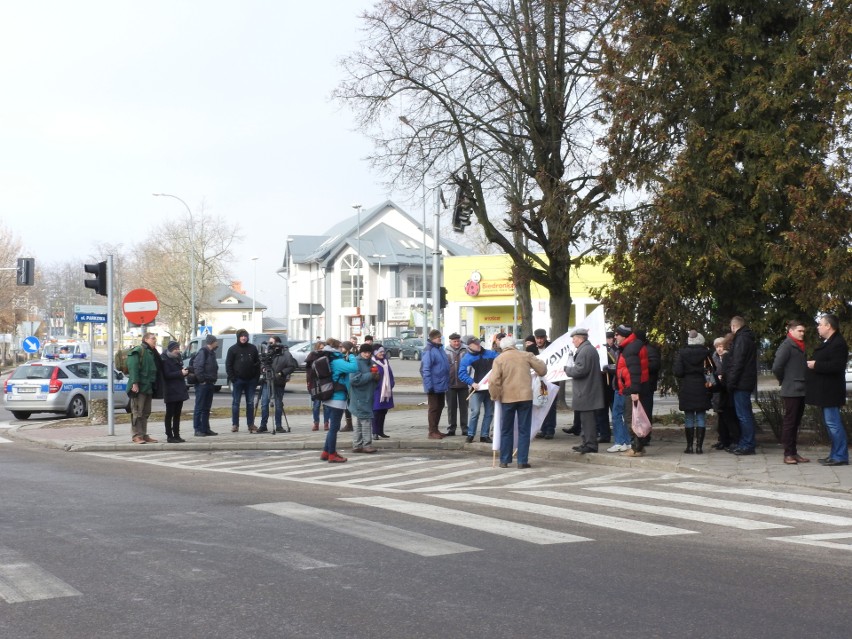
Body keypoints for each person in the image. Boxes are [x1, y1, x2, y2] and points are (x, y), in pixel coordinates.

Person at [489, 335, 548, 468]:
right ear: (515, 344)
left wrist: (495, 396)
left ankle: (504, 460)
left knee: (506, 430)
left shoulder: (499, 359)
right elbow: (542, 370)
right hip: (525, 397)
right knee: (524, 430)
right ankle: (522, 461)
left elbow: (493, 381)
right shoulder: (526, 355)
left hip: (507, 398)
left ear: (502, 347)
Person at [806, 314, 849, 467]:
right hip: (826, 390)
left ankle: (840, 455)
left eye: (820, 324)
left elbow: (837, 366)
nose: (818, 327)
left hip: (831, 391)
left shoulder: (838, 343)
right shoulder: (829, 342)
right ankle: (834, 454)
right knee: (830, 423)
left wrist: (816, 365)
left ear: (828, 326)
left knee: (834, 424)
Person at [772, 320, 809, 464]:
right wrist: (785, 380)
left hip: (801, 389)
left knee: (796, 422)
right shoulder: (787, 345)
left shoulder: (799, 345)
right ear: (791, 331)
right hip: (791, 389)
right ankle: (787, 453)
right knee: (790, 422)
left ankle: (794, 452)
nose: (802, 334)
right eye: (800, 331)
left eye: (803, 331)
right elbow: (777, 367)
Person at [564, 327, 605, 454]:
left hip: (586, 391)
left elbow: (580, 370)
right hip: (587, 390)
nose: (573, 342)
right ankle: (586, 442)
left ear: (580, 339)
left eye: (574, 339)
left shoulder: (585, 351)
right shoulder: (587, 349)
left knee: (588, 421)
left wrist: (567, 369)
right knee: (586, 420)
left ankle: (590, 444)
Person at [673, 330, 712, 454]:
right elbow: (711, 370)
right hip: (702, 386)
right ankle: (699, 447)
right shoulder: (706, 354)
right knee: (701, 417)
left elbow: (678, 372)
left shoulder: (682, 353)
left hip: (688, 386)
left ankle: (689, 447)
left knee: (689, 417)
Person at [615, 324, 650, 457]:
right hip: (636, 387)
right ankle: (639, 446)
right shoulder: (635, 345)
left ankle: (636, 448)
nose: (615, 337)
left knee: (632, 418)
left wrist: (634, 391)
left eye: (617, 335)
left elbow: (634, 372)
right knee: (636, 417)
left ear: (624, 335)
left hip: (632, 389)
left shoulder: (630, 349)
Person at [321, 339, 358, 462]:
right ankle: (332, 454)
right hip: (337, 398)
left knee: (332, 427)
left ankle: (326, 452)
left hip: (328, 396)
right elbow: (354, 367)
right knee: (334, 428)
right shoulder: (337, 362)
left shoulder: (329, 360)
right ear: (337, 348)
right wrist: (351, 355)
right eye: (340, 347)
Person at [726, 316, 759, 455]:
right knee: (744, 413)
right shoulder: (747, 338)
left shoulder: (741, 339)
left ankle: (747, 444)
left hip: (741, 382)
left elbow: (737, 362)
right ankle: (745, 442)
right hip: (745, 380)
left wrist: (730, 382)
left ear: (734, 327)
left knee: (743, 415)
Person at [458, 336, 497, 443]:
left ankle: (484, 435)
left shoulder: (490, 354)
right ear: (469, 346)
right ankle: (471, 434)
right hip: (476, 390)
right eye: (476, 344)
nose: (479, 345)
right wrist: (472, 383)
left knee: (489, 413)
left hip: (489, 389)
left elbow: (501, 360)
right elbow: (461, 374)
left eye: (479, 343)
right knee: (475, 412)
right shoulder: (466, 358)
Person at [257, 336, 296, 434]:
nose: (270, 344)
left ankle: (278, 426)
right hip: (267, 381)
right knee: (264, 403)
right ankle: (263, 425)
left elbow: (292, 366)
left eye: (272, 342)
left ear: (278, 343)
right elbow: (261, 363)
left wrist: (281, 373)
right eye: (269, 343)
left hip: (278, 382)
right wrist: (263, 369)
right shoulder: (268, 353)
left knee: (278, 404)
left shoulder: (286, 354)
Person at [126, 332, 160, 444]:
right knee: (137, 412)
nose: (155, 340)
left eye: (155, 338)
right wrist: (135, 383)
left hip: (148, 387)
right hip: (139, 387)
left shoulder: (150, 352)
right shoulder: (138, 350)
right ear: (145, 339)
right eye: (152, 338)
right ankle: (136, 435)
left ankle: (144, 434)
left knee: (146, 412)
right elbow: (133, 367)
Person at [225, 328, 261, 433]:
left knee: (250, 403)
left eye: (245, 336)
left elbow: (257, 364)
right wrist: (233, 378)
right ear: (238, 337)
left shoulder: (253, 348)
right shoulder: (232, 349)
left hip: (251, 381)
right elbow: (228, 365)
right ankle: (235, 424)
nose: (243, 338)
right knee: (236, 403)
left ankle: (250, 424)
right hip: (238, 380)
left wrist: (256, 379)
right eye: (241, 336)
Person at [711, 334, 739, 450]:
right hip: (717, 390)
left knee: (729, 417)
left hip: (727, 390)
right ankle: (723, 439)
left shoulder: (728, 357)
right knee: (720, 416)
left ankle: (732, 439)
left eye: (721, 346)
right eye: (717, 347)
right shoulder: (714, 358)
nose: (719, 349)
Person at [349, 343, 379, 453]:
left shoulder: (371, 362)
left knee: (360, 421)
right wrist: (371, 375)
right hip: (359, 396)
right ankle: (367, 445)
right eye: (365, 352)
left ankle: (357, 444)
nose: (367, 354)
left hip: (367, 395)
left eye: (369, 352)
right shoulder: (356, 363)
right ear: (360, 352)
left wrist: (376, 377)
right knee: (366, 420)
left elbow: (374, 377)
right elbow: (354, 380)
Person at [422, 329, 450, 440]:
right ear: (433, 338)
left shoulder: (439, 349)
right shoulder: (429, 350)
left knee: (440, 406)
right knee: (433, 408)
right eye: (439, 337)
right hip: (433, 385)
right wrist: (429, 386)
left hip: (442, 384)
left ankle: (436, 429)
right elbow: (426, 369)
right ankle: (431, 431)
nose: (440, 338)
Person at [532, 328, 558, 440]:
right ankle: (542, 428)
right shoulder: (531, 349)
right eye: (537, 338)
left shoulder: (553, 347)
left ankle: (550, 429)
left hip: (550, 380)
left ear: (545, 338)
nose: (539, 340)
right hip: (537, 381)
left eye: (541, 338)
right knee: (539, 404)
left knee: (550, 405)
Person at [161, 340, 189, 443]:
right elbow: (167, 375)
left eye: (178, 348)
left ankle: (177, 435)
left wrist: (185, 372)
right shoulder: (165, 359)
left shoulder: (178, 358)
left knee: (177, 414)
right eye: (176, 349)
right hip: (170, 391)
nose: (178, 350)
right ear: (171, 350)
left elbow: (179, 371)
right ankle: (169, 435)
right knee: (170, 414)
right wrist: (180, 373)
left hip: (179, 390)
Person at [193, 334, 220, 437]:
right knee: (199, 407)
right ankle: (198, 429)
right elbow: (198, 367)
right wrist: (202, 380)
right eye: (216, 341)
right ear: (212, 342)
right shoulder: (203, 352)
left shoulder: (211, 352)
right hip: (203, 384)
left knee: (206, 408)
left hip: (210, 383)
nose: (217, 343)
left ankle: (206, 428)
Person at [444, 332, 469, 436]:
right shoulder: (445, 351)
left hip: (464, 384)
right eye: (454, 341)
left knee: (464, 408)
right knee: (451, 408)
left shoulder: (466, 350)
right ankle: (451, 428)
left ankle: (465, 428)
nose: (457, 343)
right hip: (450, 384)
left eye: (458, 341)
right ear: (450, 342)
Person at [306, 340, 329, 431]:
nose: (321, 350)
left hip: (325, 382)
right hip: (315, 383)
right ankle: (316, 423)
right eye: (320, 348)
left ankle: (326, 423)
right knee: (316, 405)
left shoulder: (327, 355)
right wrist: (309, 383)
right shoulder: (312, 356)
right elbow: (308, 372)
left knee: (326, 405)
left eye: (323, 348)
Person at [372, 345, 394, 439]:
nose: (382, 353)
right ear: (375, 353)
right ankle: (374, 432)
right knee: (376, 412)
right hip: (377, 391)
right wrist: (377, 386)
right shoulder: (372, 362)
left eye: (383, 352)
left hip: (386, 391)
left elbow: (390, 374)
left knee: (383, 411)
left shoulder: (385, 361)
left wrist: (391, 384)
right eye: (380, 352)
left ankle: (381, 431)